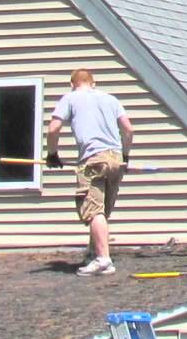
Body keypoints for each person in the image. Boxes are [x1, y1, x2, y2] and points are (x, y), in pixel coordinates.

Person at [44, 68, 134, 276]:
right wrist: (125, 156)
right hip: (115, 158)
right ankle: (94, 253)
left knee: (93, 211)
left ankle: (103, 260)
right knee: (102, 211)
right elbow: (128, 130)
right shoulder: (111, 99)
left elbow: (53, 129)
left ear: (72, 84)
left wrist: (52, 154)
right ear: (93, 83)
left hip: (93, 159)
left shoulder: (70, 98)